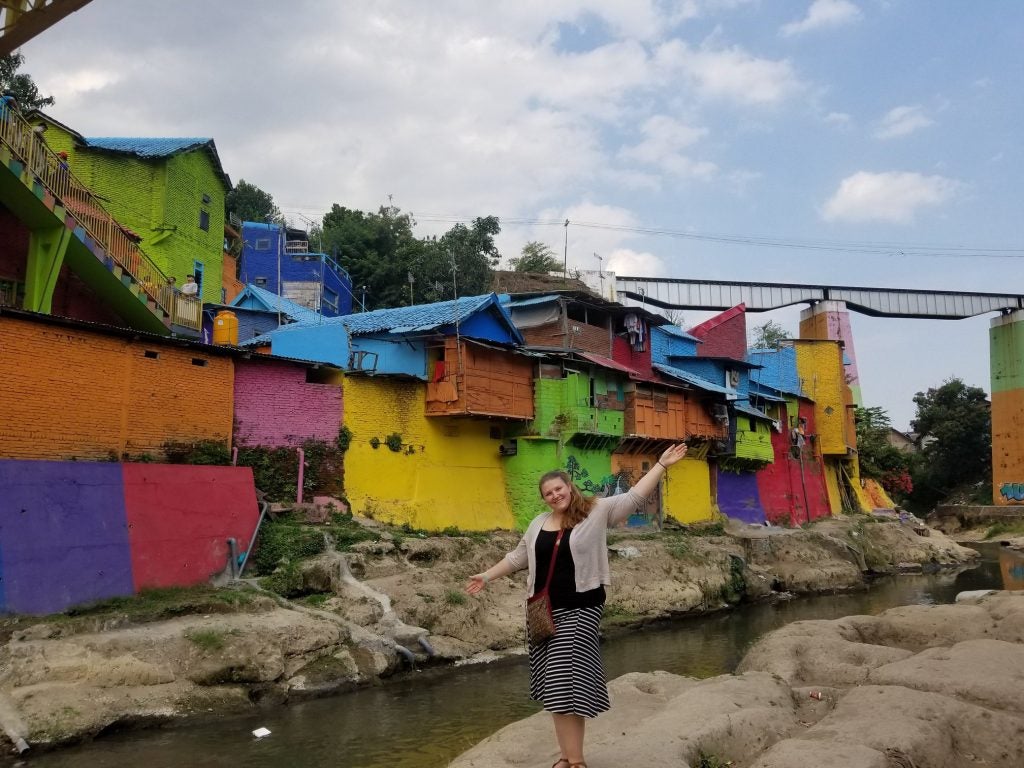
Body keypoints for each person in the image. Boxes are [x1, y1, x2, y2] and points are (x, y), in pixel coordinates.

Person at [466, 443, 689, 768]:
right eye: (548, 493)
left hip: (582, 609)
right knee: (557, 691)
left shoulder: (595, 510)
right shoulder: (538, 523)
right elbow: (518, 558)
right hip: (544, 612)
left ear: (569, 487)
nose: (555, 495)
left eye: (558, 489)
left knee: (560, 679)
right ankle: (569, 758)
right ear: (544, 498)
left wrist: (661, 465)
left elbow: (632, 499)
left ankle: (577, 760)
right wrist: (486, 576)